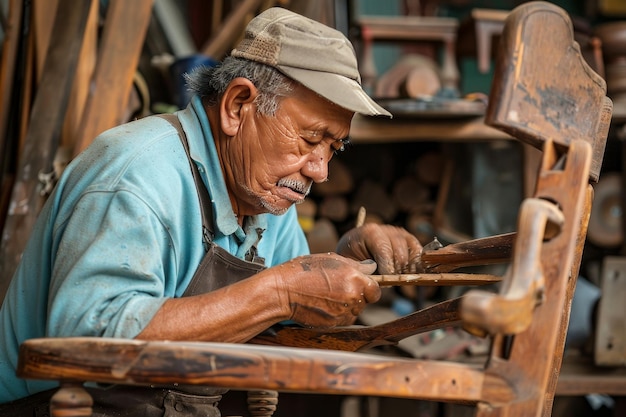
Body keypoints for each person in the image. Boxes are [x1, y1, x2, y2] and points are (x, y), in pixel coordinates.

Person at [0, 7, 423, 416]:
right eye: (310, 139)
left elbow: (291, 320)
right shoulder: (137, 176)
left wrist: (347, 263)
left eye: (334, 147)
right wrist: (282, 292)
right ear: (238, 106)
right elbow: (85, 337)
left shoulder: (265, 195)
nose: (320, 170)